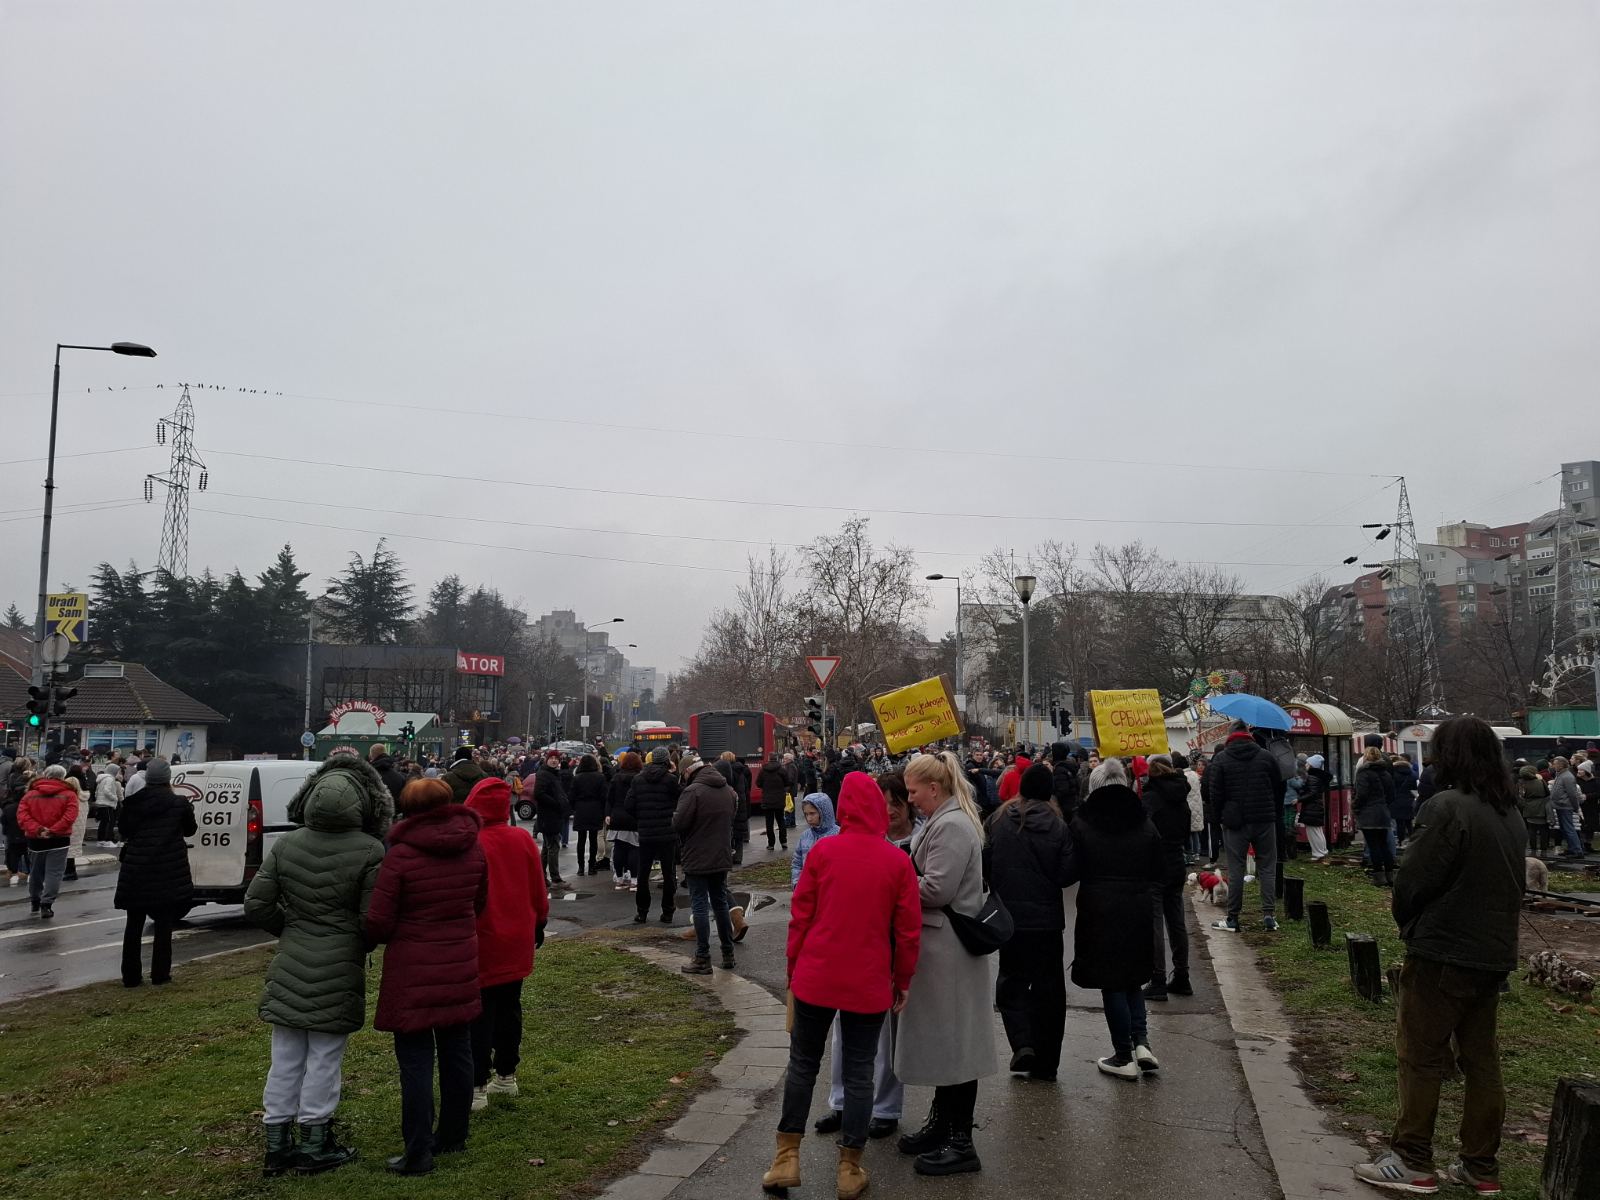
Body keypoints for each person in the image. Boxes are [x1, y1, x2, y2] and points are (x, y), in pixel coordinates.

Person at [1354, 717, 1525, 1196]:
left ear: (1448, 755)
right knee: (1481, 1060)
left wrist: (1409, 923)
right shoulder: (1506, 809)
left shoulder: (1446, 807)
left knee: (1421, 1055)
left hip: (1444, 951)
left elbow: (1413, 880)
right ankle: (1480, 1166)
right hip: (1492, 954)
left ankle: (1412, 1158)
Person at [763, 772, 921, 1200]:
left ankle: (786, 1158)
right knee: (859, 1073)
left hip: (816, 974)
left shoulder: (823, 851)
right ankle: (850, 1166)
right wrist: (902, 980)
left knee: (802, 1065)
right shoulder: (897, 861)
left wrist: (793, 969)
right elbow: (907, 932)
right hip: (869, 982)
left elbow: (802, 916)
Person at [244, 756, 388, 1176]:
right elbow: (370, 919)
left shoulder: (288, 843)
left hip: (291, 956)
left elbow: (257, 903)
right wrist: (357, 940)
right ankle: (315, 1139)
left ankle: (276, 1141)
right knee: (325, 1056)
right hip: (341, 959)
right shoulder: (370, 850)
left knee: (285, 1053)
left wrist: (290, 930)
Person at [366, 777, 489, 1176]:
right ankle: (454, 1134)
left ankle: (418, 1149)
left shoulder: (400, 856)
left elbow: (380, 923)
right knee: (458, 1051)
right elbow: (479, 901)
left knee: (416, 1059)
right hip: (459, 960)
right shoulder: (473, 846)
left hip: (413, 966)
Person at [894, 751, 998, 1177]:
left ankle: (961, 1141)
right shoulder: (946, 820)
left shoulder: (952, 826)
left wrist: (897, 876)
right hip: (944, 949)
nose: (910, 799)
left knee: (957, 1046)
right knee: (948, 1042)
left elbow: (936, 889)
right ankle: (942, 1126)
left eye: (914, 791)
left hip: (950, 951)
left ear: (933, 789)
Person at [814, 772, 918, 1139]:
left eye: (897, 802)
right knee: (844, 1036)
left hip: (886, 950)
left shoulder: (918, 841)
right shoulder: (867, 840)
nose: (889, 810)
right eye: (884, 802)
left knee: (887, 1039)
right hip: (856, 947)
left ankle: (886, 1109)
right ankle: (842, 1105)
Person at [1071, 759, 1164, 1080]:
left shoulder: (1083, 822)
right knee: (1133, 977)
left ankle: (1122, 1054)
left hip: (1099, 906)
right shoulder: (1144, 821)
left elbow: (1071, 868)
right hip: (1137, 904)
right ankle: (1142, 1043)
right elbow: (1158, 865)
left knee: (1111, 981)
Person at [463, 776, 549, 1112]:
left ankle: (477, 1084)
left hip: (481, 938)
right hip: (518, 936)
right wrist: (539, 921)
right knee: (510, 1007)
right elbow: (537, 888)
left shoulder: (471, 843)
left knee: (479, 1014)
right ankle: (507, 1073)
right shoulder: (522, 840)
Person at [986, 763, 1074, 1080]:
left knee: (1011, 983)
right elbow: (1066, 875)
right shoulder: (1058, 826)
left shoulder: (998, 821)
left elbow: (985, 863)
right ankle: (1047, 1064)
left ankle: (1022, 1042)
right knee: (1050, 991)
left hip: (1009, 919)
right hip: (1047, 922)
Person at [113, 758, 196, 987]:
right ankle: (160, 974)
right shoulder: (178, 804)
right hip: (167, 870)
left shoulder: (132, 803)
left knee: (134, 925)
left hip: (137, 869)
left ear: (147, 779)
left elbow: (125, 831)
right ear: (167, 778)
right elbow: (190, 830)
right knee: (163, 926)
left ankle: (130, 976)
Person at [1203, 723, 1282, 931]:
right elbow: (1278, 787)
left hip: (1234, 822)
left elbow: (1215, 794)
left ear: (1230, 736)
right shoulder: (1266, 756)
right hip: (1264, 818)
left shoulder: (1220, 759)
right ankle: (1268, 915)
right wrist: (1274, 812)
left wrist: (1220, 817)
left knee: (1236, 868)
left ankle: (1233, 918)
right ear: (1249, 735)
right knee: (1267, 867)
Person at [672, 753, 738, 974]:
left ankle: (702, 957)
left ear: (688, 771)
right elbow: (733, 816)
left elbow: (679, 823)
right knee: (720, 903)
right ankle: (728, 953)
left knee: (699, 904)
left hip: (697, 855)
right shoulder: (727, 790)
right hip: (721, 854)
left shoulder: (693, 792)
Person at [1141, 754, 1192, 1002]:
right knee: (1176, 920)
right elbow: (1186, 828)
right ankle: (1182, 975)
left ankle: (1158, 978)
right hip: (1176, 859)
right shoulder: (1181, 794)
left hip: (1155, 863)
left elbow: (1143, 830)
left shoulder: (1151, 797)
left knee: (1154, 923)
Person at [17, 764, 79, 918]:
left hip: (35, 839)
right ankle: (47, 904)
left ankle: (35, 900)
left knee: (35, 871)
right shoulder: (69, 794)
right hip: (59, 839)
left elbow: (22, 816)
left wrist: (38, 829)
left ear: (45, 774)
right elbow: (70, 816)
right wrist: (53, 830)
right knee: (54, 872)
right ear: (62, 776)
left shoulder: (30, 794)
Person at [628, 748, 681, 924]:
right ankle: (667, 912)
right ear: (667, 761)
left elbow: (629, 804)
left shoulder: (638, 779)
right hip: (667, 831)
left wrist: (641, 817)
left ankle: (642, 912)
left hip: (645, 832)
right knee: (668, 873)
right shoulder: (670, 780)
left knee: (643, 874)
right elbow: (681, 800)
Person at [1354, 746, 1396, 887]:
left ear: (1366, 757)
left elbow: (1362, 794)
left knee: (1373, 845)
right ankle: (1390, 875)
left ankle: (1378, 876)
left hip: (1368, 812)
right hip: (1383, 811)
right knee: (1384, 844)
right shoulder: (1386, 774)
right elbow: (1391, 795)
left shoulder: (1363, 773)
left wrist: (1355, 807)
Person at [606, 750, 642, 891]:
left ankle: (619, 879)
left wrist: (608, 814)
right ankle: (634, 880)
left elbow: (610, 798)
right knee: (634, 849)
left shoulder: (616, 778)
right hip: (633, 817)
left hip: (617, 816)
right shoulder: (639, 779)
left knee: (619, 849)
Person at [533, 750, 570, 885]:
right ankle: (555, 878)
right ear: (547, 759)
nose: (554, 760)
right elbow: (538, 793)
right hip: (549, 815)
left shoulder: (553, 774)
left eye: (556, 758)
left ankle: (541, 876)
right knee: (553, 846)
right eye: (551, 758)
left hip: (552, 815)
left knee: (547, 847)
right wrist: (556, 804)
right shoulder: (544, 774)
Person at [569, 754, 608, 876]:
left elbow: (571, 796)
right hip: (595, 809)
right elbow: (604, 796)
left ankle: (581, 867)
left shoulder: (577, 778)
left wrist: (575, 808)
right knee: (593, 839)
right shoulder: (600, 777)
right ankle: (592, 866)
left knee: (581, 840)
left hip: (581, 809)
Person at [790, 792, 839, 885]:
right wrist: (797, 883)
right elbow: (797, 863)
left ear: (824, 812)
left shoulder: (838, 835)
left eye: (812, 813)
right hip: (807, 890)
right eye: (806, 814)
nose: (809, 818)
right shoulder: (805, 836)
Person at [1548, 757, 1584, 858]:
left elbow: (1572, 794)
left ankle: (1577, 850)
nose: (1553, 766)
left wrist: (1575, 807)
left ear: (1561, 765)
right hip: (1560, 805)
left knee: (1569, 828)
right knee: (1564, 829)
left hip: (1565, 806)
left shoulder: (1567, 777)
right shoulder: (1560, 775)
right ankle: (1572, 849)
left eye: (1555, 764)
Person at [1298, 754, 1331, 861]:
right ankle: (1322, 851)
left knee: (1313, 832)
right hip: (1316, 807)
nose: (1306, 765)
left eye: (1308, 763)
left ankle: (1318, 854)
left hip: (1312, 808)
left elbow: (1312, 792)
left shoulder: (1312, 777)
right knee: (1318, 831)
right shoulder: (1319, 777)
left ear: (1312, 765)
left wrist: (1299, 799)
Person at [1516, 765, 1551, 860]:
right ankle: (1544, 850)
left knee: (1532, 830)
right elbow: (1548, 792)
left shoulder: (1522, 783)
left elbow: (1521, 796)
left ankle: (1533, 850)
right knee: (1543, 830)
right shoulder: (1540, 781)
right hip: (1542, 806)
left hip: (1529, 807)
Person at [757, 754, 790, 850]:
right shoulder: (782, 770)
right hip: (779, 799)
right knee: (781, 821)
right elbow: (787, 783)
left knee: (769, 823)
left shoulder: (763, 770)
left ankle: (771, 844)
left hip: (767, 799)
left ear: (768, 759)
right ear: (777, 759)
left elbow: (758, 783)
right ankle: (783, 842)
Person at [92, 758, 124, 845]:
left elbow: (97, 791)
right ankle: (106, 840)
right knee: (109, 822)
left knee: (104, 822)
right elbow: (107, 791)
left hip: (102, 803)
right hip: (107, 803)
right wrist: (115, 798)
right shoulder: (110, 779)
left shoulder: (102, 779)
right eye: (118, 771)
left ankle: (101, 840)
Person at [1390, 756, 1418, 846]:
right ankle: (1412, 839)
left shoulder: (1392, 773)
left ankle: (1400, 841)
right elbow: (1415, 788)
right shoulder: (1412, 773)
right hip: (1408, 800)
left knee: (1399, 823)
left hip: (1396, 800)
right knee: (1409, 822)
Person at [1048, 741, 1080, 820]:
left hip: (1064, 808)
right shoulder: (1067, 766)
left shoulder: (1059, 769)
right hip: (1072, 805)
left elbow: (1062, 790)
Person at [1578, 760, 1599, 854]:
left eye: (1581, 770)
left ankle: (1588, 844)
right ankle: (1582, 844)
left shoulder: (1596, 782)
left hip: (1592, 806)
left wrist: (1587, 796)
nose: (1578, 772)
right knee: (1582, 825)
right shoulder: (1577, 781)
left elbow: (1598, 793)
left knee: (1591, 826)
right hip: (1581, 806)